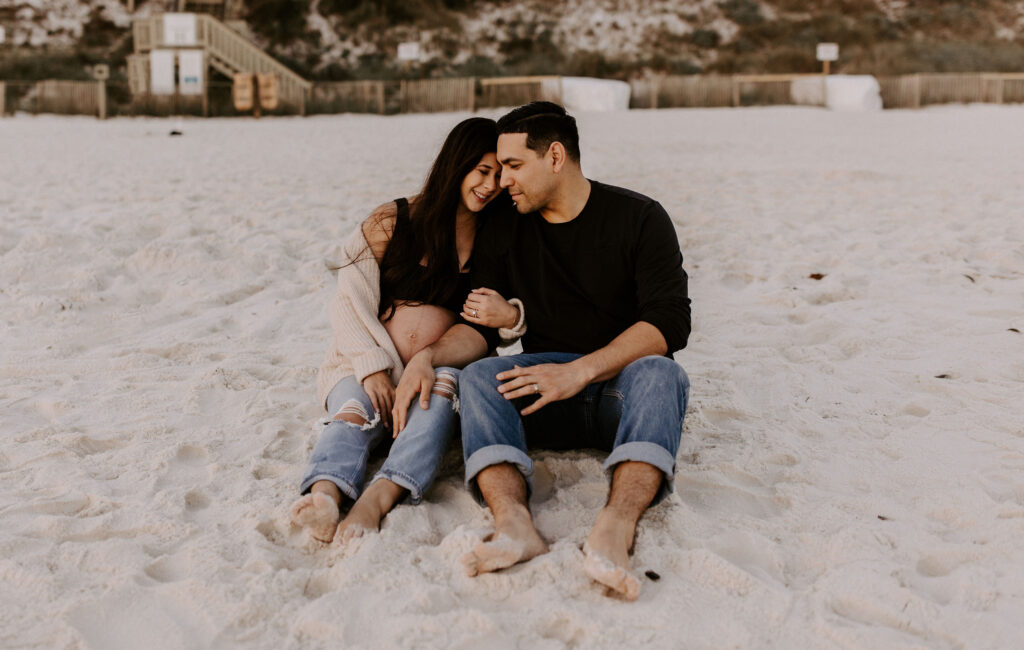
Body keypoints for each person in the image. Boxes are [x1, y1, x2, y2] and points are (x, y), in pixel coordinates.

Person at [392, 102, 691, 600]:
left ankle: (615, 527)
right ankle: (514, 526)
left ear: (555, 156)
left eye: (513, 166)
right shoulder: (506, 228)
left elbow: (669, 321)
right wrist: (429, 356)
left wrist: (581, 370)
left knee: (663, 373)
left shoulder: (639, 217)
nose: (503, 182)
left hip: (621, 388)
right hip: (542, 391)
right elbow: (478, 331)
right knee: (479, 376)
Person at [290, 117, 527, 544]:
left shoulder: (497, 241)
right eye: (481, 171)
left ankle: (378, 498)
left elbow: (484, 334)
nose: (490, 185)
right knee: (354, 415)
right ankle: (325, 493)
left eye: (499, 175)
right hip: (363, 363)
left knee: (437, 407)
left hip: (440, 368)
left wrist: (427, 358)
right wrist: (372, 367)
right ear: (456, 166)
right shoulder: (393, 220)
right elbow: (349, 301)